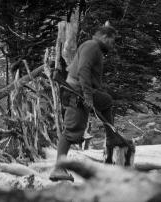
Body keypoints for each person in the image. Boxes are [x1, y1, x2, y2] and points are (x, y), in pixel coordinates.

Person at [49, 24, 122, 182]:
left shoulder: (93, 47)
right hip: (76, 92)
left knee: (106, 101)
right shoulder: (91, 46)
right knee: (71, 131)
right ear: (104, 37)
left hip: (79, 90)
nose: (112, 44)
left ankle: (112, 138)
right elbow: (83, 70)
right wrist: (88, 96)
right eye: (112, 40)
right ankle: (58, 169)